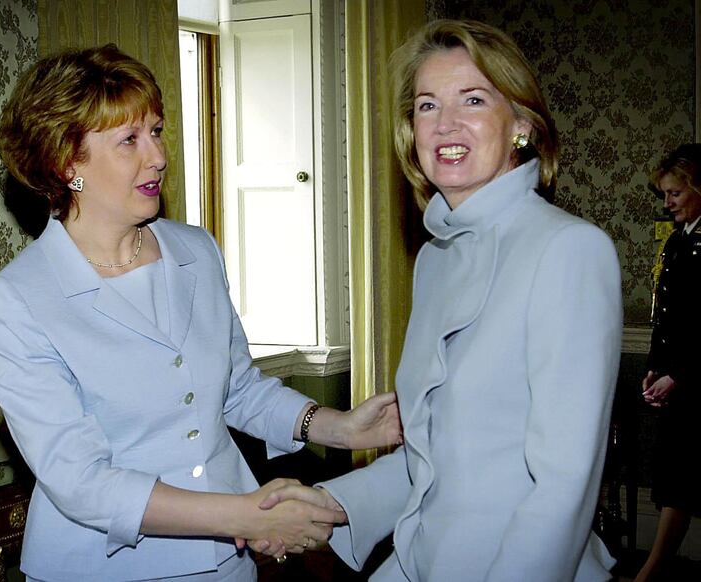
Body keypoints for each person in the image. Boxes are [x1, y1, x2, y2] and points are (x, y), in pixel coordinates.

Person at [0, 44, 402, 582]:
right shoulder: (18, 300)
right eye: (129, 140)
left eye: (155, 131)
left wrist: (339, 428)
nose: (156, 155)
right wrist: (243, 513)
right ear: (66, 163)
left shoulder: (196, 250)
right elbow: (82, 480)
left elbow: (236, 390)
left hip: (228, 561)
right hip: (103, 569)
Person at [257, 19, 623, 581]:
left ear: (521, 125)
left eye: (472, 100)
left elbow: (563, 485)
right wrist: (328, 504)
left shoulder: (569, 250)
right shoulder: (435, 258)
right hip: (421, 559)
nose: (445, 123)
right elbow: (437, 457)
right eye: (427, 106)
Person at [636, 144, 701, 582]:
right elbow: (669, 316)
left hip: (698, 381)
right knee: (677, 480)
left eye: (675, 193)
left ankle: (650, 573)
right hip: (678, 377)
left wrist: (681, 374)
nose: (667, 203)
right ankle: (652, 572)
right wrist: (657, 367)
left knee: (684, 479)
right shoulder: (679, 240)